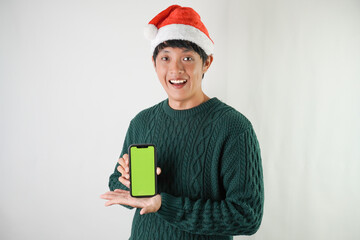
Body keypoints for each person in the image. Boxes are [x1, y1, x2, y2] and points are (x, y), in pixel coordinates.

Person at [100, 4, 264, 239]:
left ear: (206, 62)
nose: (175, 69)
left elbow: (247, 216)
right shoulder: (142, 122)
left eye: (187, 58)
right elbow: (117, 184)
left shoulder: (234, 128)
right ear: (154, 63)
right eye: (165, 58)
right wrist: (128, 182)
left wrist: (164, 204)